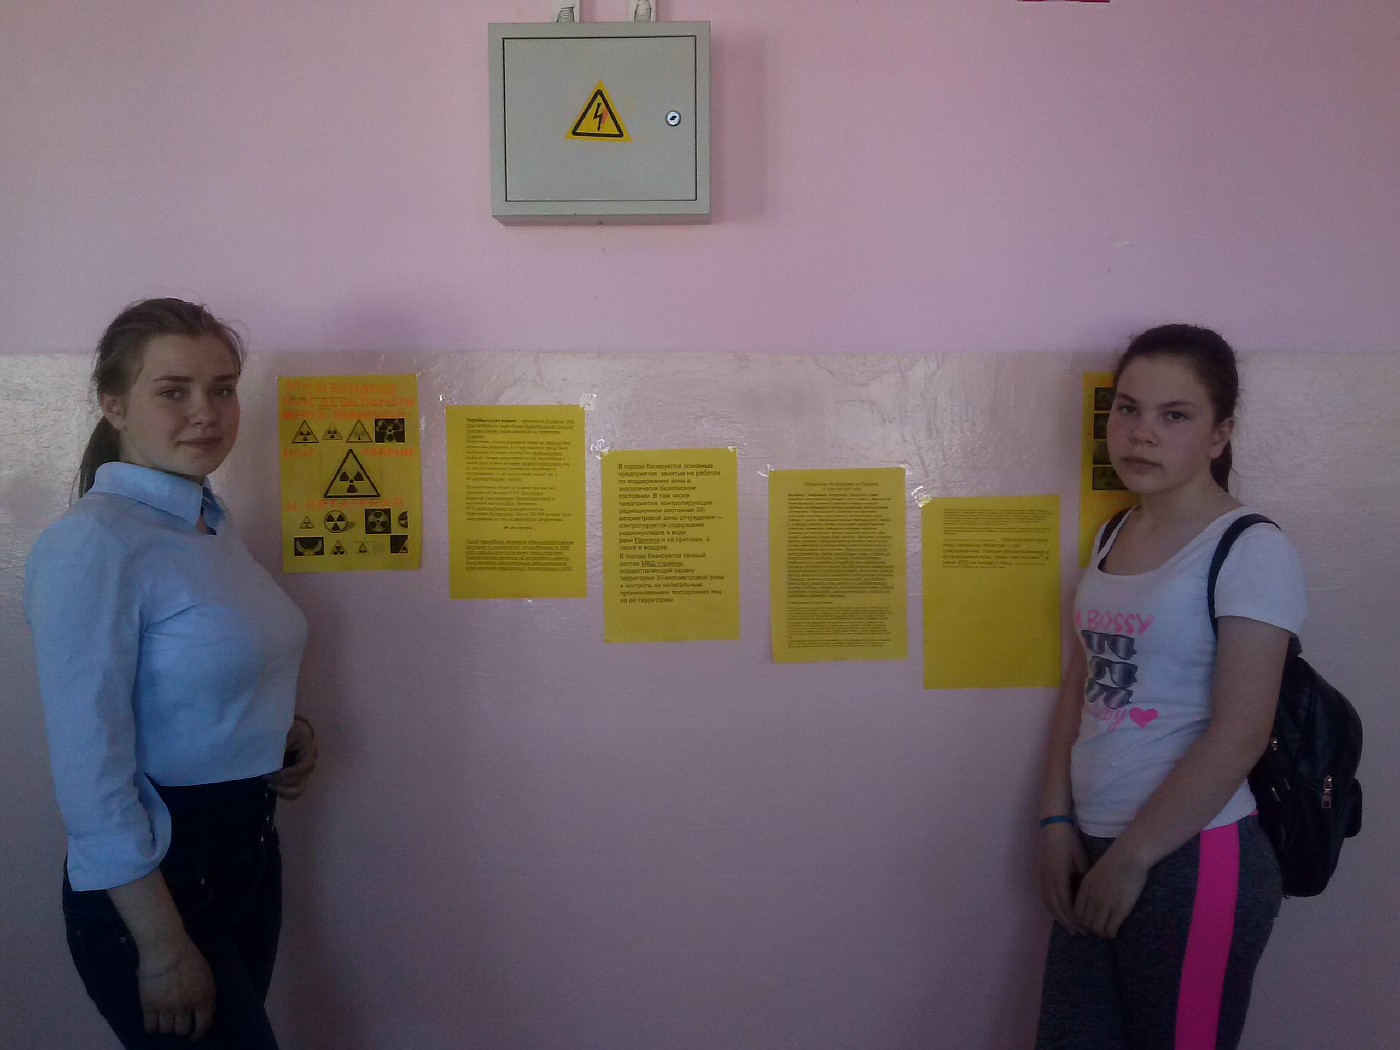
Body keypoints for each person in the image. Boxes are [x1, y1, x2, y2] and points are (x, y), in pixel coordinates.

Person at [25, 298, 317, 1048]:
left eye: (222, 389)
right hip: (158, 883)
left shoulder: (206, 523)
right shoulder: (94, 543)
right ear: (114, 404)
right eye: (173, 391)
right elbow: (90, 773)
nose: (205, 413)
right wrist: (160, 945)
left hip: (248, 853)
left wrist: (278, 730)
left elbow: (204, 671)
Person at [1035, 325, 1305, 1050]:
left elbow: (1240, 735)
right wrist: (1055, 822)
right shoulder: (1112, 535)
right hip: (1095, 846)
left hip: (1193, 857)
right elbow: (1082, 688)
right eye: (1127, 408)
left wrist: (1130, 859)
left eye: (1174, 415)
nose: (1141, 433)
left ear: (1220, 435)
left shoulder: (1250, 548)